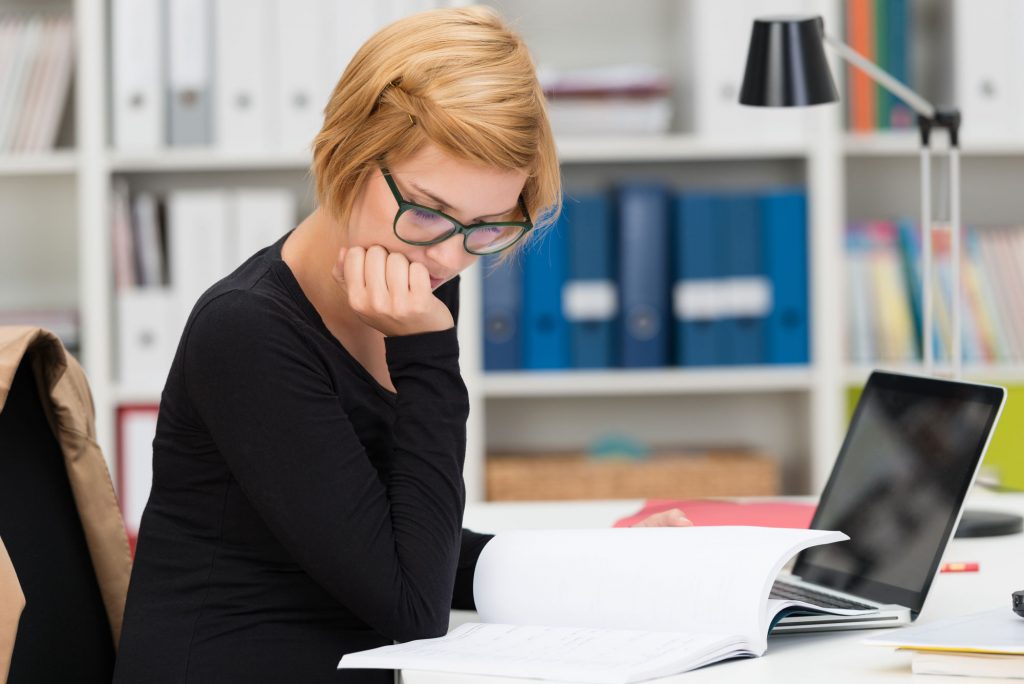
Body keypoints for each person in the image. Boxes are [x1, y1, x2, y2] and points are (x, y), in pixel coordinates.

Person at [112, 6, 688, 683]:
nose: (448, 254)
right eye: (424, 208)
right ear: (347, 155)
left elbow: (414, 548)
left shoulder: (418, 276)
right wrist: (429, 356)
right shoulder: (248, 331)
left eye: (487, 227)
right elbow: (411, 606)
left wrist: (597, 565)